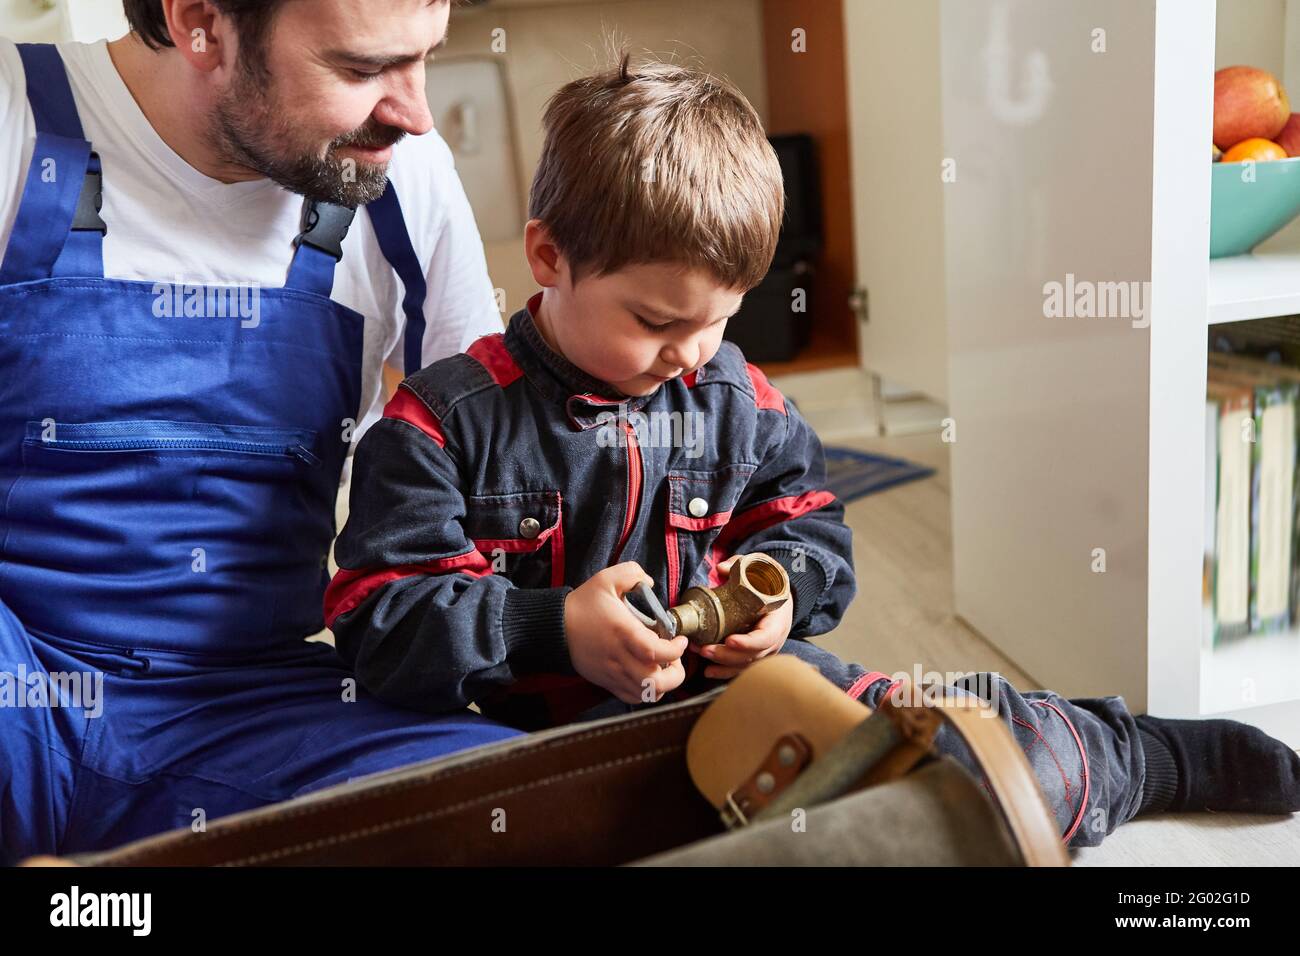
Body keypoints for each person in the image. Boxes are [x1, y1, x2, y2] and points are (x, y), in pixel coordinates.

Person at [327, 54, 1300, 850]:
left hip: (745, 699)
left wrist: (784, 593)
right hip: (535, 745)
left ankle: (1130, 755)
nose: (689, 353)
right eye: (655, 319)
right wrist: (550, 628)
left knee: (953, 741)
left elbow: (812, 529)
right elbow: (380, 623)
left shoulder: (730, 391)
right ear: (548, 258)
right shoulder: (442, 421)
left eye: (718, 319)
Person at [0, 0, 522, 863]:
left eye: (426, 57)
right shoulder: (16, 117)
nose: (416, 112)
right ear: (202, 22)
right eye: (360, 70)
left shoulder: (401, 173)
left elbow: (500, 473)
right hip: (17, 680)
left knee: (520, 801)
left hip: (251, 707)